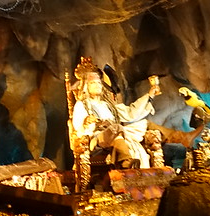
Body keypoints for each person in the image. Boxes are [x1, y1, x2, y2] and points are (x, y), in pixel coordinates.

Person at [71, 59, 201, 169]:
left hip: (117, 133)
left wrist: (150, 95)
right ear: (86, 86)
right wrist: (88, 123)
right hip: (97, 138)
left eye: (99, 82)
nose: (98, 85)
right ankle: (126, 162)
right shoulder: (82, 105)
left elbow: (131, 112)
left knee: (146, 124)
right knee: (116, 128)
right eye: (93, 83)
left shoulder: (108, 105)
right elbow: (79, 131)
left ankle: (182, 137)